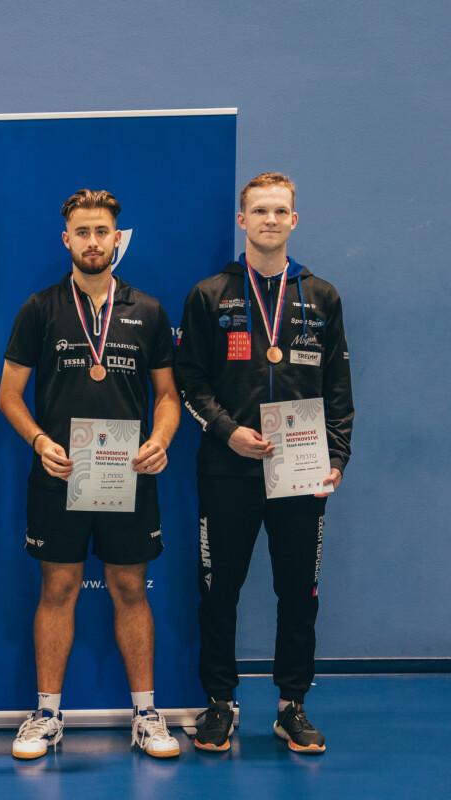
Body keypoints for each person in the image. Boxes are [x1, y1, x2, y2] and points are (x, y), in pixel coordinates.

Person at [0, 189, 182, 760]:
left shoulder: (148, 310)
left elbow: (168, 395)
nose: (93, 242)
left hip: (129, 474)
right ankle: (47, 715)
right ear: (67, 239)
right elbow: (9, 395)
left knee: (130, 589)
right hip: (60, 475)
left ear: (116, 238)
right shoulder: (39, 309)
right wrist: (40, 441)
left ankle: (146, 715)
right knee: (57, 589)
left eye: (102, 231)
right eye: (83, 232)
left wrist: (160, 440)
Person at [175, 172, 353, 754]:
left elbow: (339, 388)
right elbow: (189, 380)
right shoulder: (210, 295)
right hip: (227, 469)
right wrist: (227, 432)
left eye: (279, 211)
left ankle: (290, 705)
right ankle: (219, 703)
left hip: (300, 471)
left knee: (299, 592)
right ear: (242, 220)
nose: (270, 220)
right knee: (218, 590)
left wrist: (337, 456)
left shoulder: (321, 296)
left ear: (294, 220)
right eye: (259, 211)